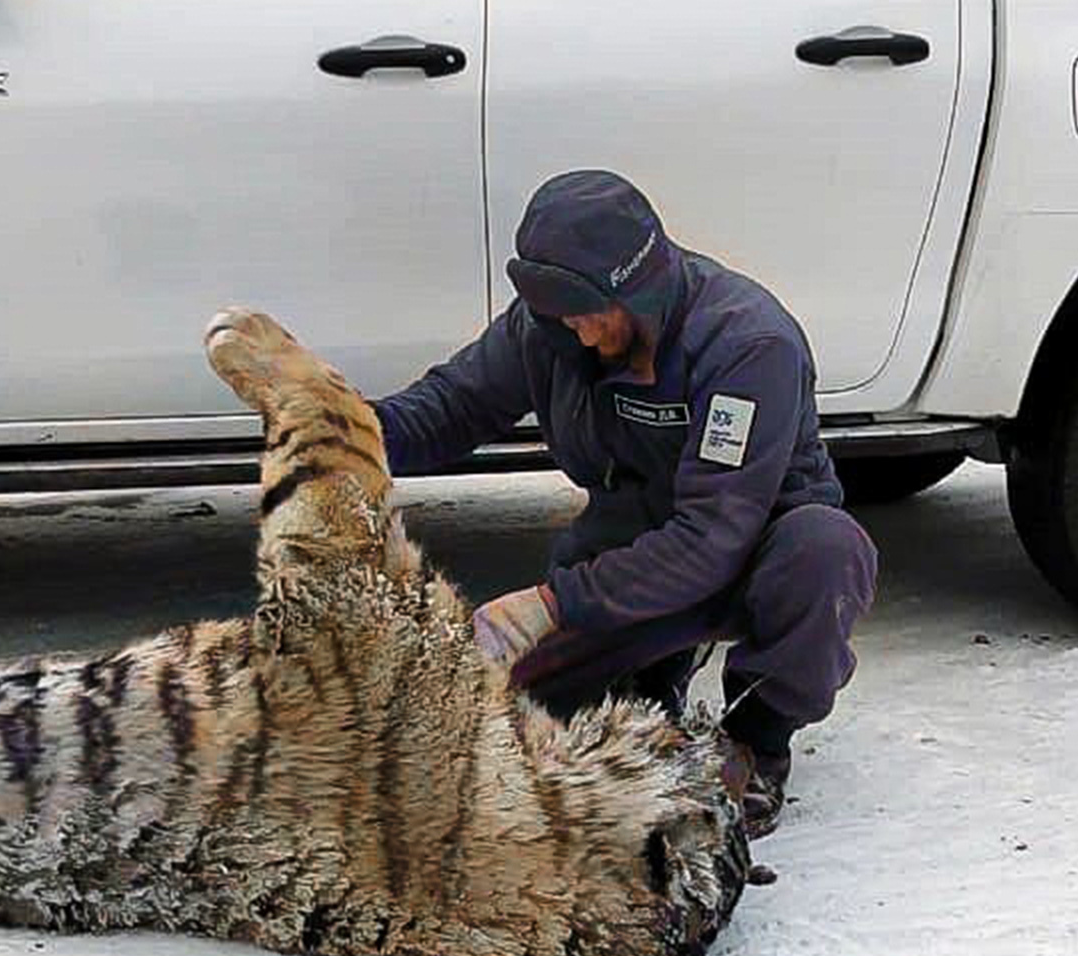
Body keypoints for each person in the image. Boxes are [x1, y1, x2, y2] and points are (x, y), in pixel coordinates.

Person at [372, 170, 878, 838]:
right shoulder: (549, 327)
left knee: (824, 552)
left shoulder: (747, 345)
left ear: (636, 288)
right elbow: (453, 405)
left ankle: (758, 738)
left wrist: (547, 605)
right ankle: (644, 684)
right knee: (495, 707)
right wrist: (339, 429)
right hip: (626, 553)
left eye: (586, 313)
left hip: (752, 549)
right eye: (560, 317)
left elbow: (709, 540)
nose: (576, 333)